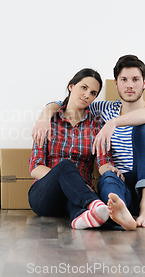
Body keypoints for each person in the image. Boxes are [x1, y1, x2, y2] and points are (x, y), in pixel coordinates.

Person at [32, 55, 145, 229]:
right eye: (124, 79)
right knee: (109, 176)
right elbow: (69, 103)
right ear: (116, 84)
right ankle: (118, 213)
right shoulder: (103, 109)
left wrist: (114, 122)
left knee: (144, 128)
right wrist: (45, 115)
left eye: (135, 79)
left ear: (144, 83)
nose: (129, 85)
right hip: (120, 184)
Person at [28, 68, 115, 230]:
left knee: (74, 199)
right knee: (66, 166)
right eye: (84, 87)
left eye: (93, 93)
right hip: (44, 196)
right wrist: (69, 181)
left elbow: (104, 161)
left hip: (76, 197)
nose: (87, 95)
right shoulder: (49, 121)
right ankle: (94, 204)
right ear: (71, 87)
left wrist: (111, 169)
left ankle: (80, 219)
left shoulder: (96, 125)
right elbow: (35, 167)